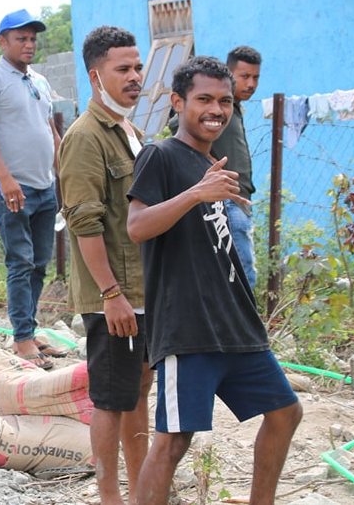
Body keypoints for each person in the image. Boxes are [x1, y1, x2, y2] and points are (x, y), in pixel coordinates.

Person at [126, 56, 302, 505]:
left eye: (224, 101)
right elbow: (137, 226)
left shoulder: (212, 163)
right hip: (190, 329)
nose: (216, 109)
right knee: (174, 441)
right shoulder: (161, 154)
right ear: (177, 102)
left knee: (285, 412)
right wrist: (195, 194)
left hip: (236, 326)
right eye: (204, 99)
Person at [58, 25, 153, 505]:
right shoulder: (84, 138)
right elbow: (85, 222)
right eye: (124, 69)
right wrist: (111, 295)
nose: (135, 76)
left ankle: (141, 492)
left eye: (137, 67)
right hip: (113, 295)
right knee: (111, 400)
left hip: (141, 289)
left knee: (138, 391)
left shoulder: (130, 133)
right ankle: (110, 497)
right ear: (97, 76)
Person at [0, 8, 63, 369]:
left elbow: (49, 130)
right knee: (20, 261)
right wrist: (5, 178)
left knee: (39, 262)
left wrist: (62, 173)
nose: (29, 44)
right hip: (10, 186)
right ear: (2, 42)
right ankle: (22, 339)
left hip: (43, 185)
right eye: (21, 38)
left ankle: (29, 331)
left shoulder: (37, 81)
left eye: (32, 38)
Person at [210, 45, 262, 289]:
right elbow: (179, 125)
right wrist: (210, 164)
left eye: (256, 77)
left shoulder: (235, 109)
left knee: (239, 277)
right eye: (244, 76)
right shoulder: (218, 108)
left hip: (240, 200)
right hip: (228, 202)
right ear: (230, 76)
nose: (251, 83)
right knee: (243, 279)